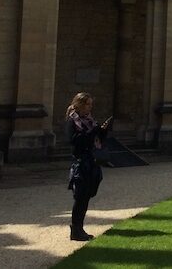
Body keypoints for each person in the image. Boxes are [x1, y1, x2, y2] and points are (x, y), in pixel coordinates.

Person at [65, 92, 111, 241]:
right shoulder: (72, 121)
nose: (90, 107)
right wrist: (92, 132)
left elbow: (97, 139)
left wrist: (103, 131)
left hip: (91, 161)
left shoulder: (89, 120)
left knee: (87, 195)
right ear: (80, 104)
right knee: (80, 197)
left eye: (91, 104)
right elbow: (74, 141)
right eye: (88, 104)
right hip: (81, 162)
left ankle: (79, 228)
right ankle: (76, 229)